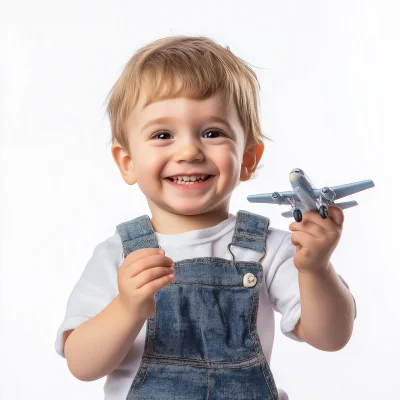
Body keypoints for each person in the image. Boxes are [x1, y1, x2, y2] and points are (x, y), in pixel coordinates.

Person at [55, 35, 357, 400]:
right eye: (163, 134)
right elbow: (82, 365)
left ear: (247, 159)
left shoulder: (272, 249)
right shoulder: (119, 255)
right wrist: (126, 308)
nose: (188, 151)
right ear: (127, 161)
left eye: (212, 132)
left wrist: (317, 268)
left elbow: (331, 338)